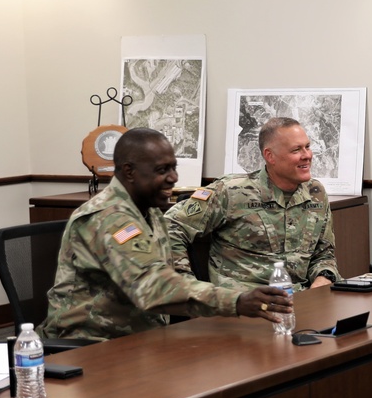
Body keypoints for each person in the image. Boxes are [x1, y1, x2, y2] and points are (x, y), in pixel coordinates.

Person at [39, 128, 291, 341]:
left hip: (140, 339)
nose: (173, 178)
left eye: (173, 168)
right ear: (129, 172)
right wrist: (235, 301)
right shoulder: (109, 217)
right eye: (162, 170)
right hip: (89, 346)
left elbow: (163, 276)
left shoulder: (150, 210)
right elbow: (154, 288)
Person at [166, 117, 341, 291]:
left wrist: (323, 278)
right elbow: (170, 226)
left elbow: (324, 253)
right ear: (270, 156)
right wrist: (186, 281)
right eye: (296, 150)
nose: (307, 155)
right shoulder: (231, 191)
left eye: (307, 147)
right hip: (245, 305)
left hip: (300, 301)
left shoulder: (315, 193)